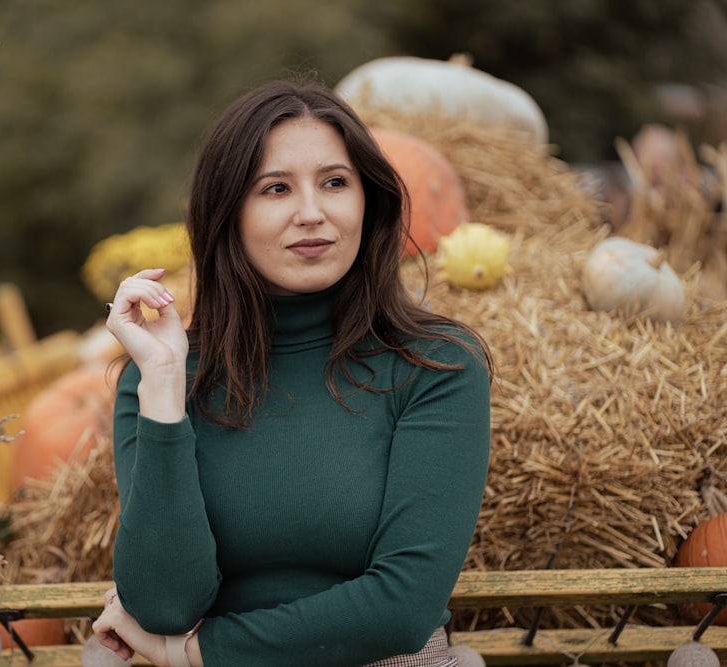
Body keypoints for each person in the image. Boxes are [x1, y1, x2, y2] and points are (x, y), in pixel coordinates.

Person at [93, 78, 493, 667]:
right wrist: (163, 381)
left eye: (335, 182)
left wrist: (195, 654)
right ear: (227, 212)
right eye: (276, 188)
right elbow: (163, 605)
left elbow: (404, 608)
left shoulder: (434, 364)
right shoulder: (162, 374)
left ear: (368, 200)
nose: (312, 213)